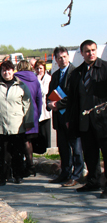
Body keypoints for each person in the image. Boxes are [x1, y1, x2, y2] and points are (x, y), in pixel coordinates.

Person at [67, 39, 107, 196]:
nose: (91, 53)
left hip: (103, 121)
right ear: (82, 53)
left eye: (93, 50)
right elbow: (72, 99)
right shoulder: (76, 73)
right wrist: (71, 119)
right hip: (85, 122)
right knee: (90, 154)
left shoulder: (105, 69)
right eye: (87, 51)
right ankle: (93, 181)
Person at [0, 60, 34, 186]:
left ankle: (18, 175)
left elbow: (27, 104)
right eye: (4, 70)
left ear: (13, 71)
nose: (6, 73)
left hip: (16, 125)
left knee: (17, 153)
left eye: (9, 70)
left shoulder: (21, 86)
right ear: (0, 72)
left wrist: (28, 122)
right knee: (2, 154)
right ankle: (3, 176)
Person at [47, 46, 84, 186]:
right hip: (59, 117)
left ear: (68, 57)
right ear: (55, 60)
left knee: (76, 148)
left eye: (64, 57)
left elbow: (75, 96)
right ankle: (65, 173)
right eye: (59, 58)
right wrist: (49, 104)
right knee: (63, 148)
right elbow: (50, 93)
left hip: (72, 116)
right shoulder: (55, 75)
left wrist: (59, 104)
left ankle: (76, 175)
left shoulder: (75, 73)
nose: (62, 60)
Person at [15, 60, 42, 177]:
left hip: (20, 112)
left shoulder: (16, 78)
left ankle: (25, 166)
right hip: (33, 111)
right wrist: (38, 114)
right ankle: (30, 164)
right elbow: (39, 98)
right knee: (28, 141)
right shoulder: (35, 79)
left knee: (21, 141)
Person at [35, 59, 53, 158]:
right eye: (37, 68)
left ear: (44, 69)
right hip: (37, 108)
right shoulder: (34, 78)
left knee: (45, 130)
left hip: (45, 108)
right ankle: (38, 150)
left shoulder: (48, 78)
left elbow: (44, 91)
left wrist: (38, 81)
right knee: (38, 131)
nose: (39, 70)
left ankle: (47, 149)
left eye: (41, 68)